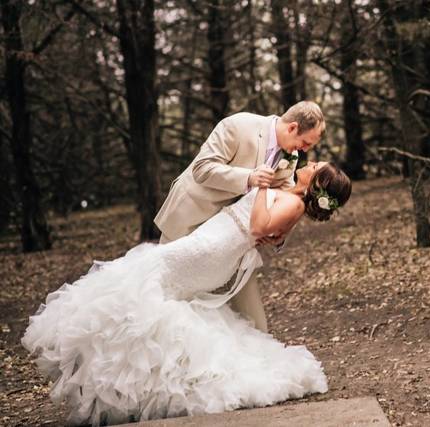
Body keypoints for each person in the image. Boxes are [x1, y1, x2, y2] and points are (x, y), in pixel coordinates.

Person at [22, 162, 352, 426]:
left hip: (213, 249)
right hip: (212, 241)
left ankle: (127, 381)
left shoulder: (292, 202)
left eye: (318, 165)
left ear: (317, 183)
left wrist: (262, 189)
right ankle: (130, 383)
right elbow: (273, 235)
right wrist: (268, 205)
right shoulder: (289, 190)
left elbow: (257, 228)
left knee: (145, 285)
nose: (312, 162)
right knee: (147, 288)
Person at [154, 101, 325, 334]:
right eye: (305, 142)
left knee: (251, 315)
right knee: (165, 297)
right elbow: (202, 169)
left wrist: (278, 234)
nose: (304, 150)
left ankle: (259, 357)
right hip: (192, 219)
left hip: (234, 239)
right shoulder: (238, 125)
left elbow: (287, 198)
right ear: (293, 127)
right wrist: (249, 178)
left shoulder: (291, 155)